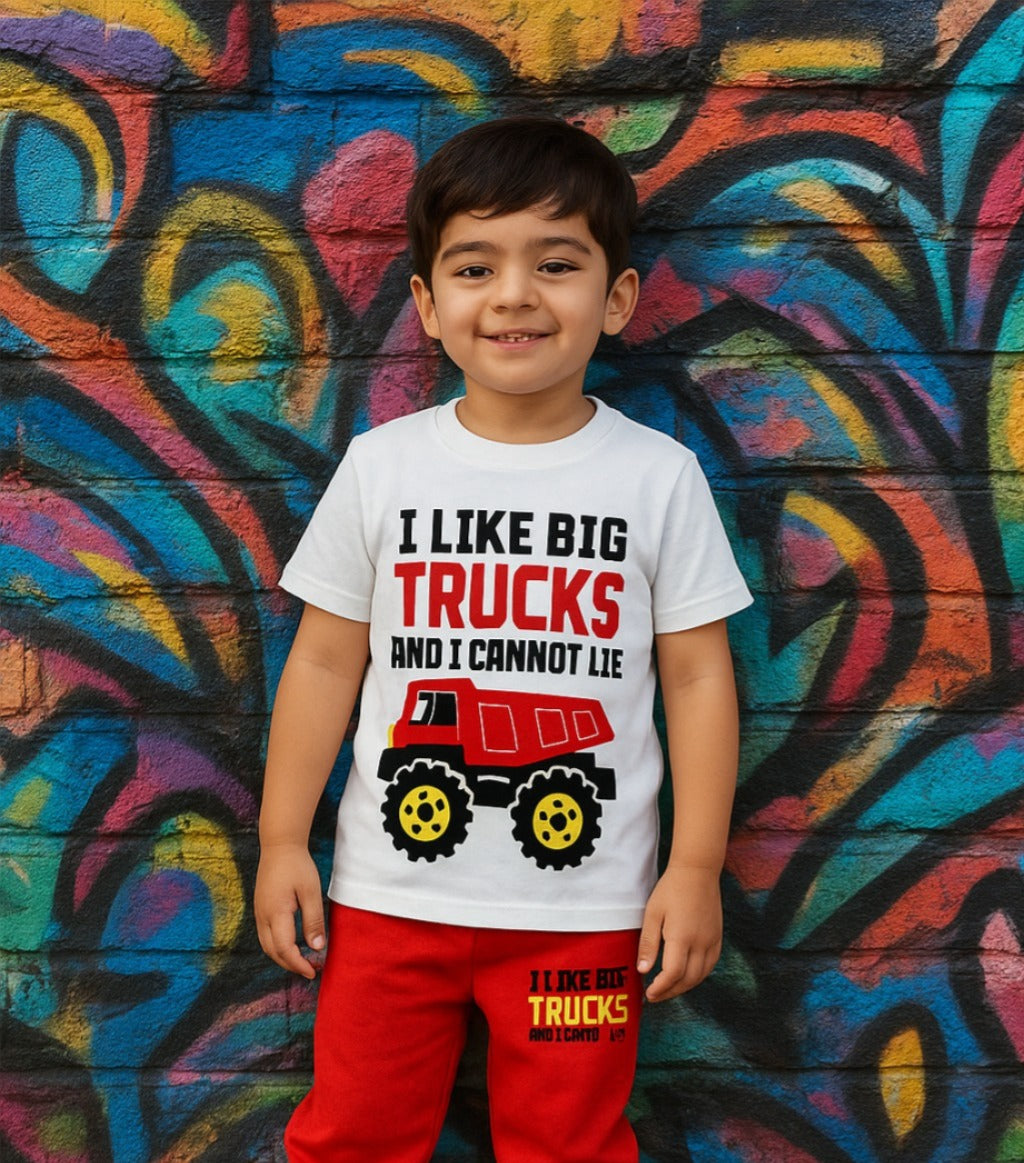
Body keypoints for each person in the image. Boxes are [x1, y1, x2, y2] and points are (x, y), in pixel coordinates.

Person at [254, 115, 753, 1162]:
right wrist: (279, 838)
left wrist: (694, 862)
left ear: (615, 298)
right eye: (476, 266)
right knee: (353, 1132)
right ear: (430, 306)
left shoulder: (655, 478)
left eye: (556, 263)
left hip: (586, 919)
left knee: (568, 1140)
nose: (515, 295)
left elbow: (699, 676)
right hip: (388, 904)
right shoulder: (384, 468)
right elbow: (327, 659)